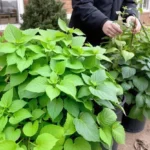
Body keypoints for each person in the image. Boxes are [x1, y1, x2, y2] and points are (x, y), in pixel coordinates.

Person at [69, 0, 141, 46]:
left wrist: (130, 15)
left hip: (109, 42)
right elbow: (82, 4)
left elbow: (129, 2)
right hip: (82, 40)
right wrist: (102, 22)